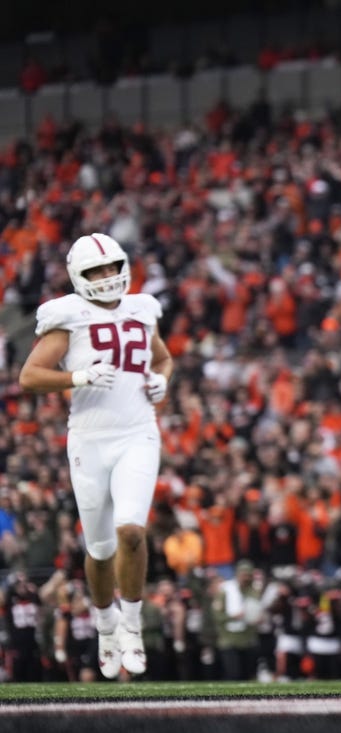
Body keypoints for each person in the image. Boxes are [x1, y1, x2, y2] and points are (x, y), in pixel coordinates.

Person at [19, 233, 172, 679]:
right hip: (89, 438)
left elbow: (162, 360)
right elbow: (30, 376)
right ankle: (105, 627)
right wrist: (80, 376)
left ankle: (132, 624)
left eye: (112, 267)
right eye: (96, 271)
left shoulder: (143, 309)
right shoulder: (68, 315)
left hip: (137, 432)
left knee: (131, 532)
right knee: (100, 548)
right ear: (78, 277)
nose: (107, 278)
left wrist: (162, 379)